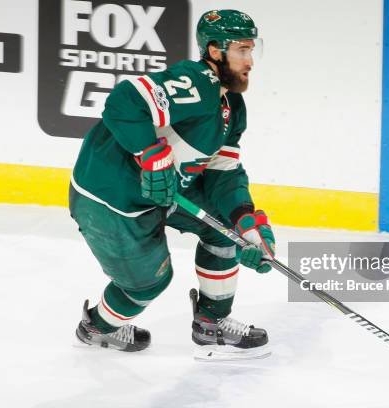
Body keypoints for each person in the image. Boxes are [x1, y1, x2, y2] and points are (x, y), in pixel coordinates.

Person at [69, 9, 275, 360]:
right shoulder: (196, 82)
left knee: (227, 231)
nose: (250, 60)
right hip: (110, 198)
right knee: (148, 284)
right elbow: (123, 102)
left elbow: (223, 174)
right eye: (242, 49)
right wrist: (150, 153)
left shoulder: (233, 107)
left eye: (252, 49)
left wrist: (246, 220)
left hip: (165, 192)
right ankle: (96, 327)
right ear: (214, 51)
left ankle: (212, 323)